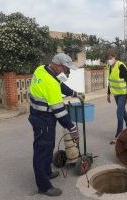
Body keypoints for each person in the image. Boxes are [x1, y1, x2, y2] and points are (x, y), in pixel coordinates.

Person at [28, 53, 84, 196]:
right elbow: (60, 112)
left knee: (49, 145)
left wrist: (74, 93)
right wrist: (72, 128)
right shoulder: (51, 84)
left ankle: (47, 172)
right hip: (43, 119)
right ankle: (44, 187)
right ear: (59, 66)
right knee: (42, 151)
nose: (67, 72)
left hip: (39, 115)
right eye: (66, 69)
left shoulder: (42, 69)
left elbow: (61, 85)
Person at [106, 53, 127, 145]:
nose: (109, 60)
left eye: (110, 58)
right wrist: (108, 94)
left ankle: (118, 136)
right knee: (122, 111)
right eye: (108, 59)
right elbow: (110, 81)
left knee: (119, 113)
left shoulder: (120, 66)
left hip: (123, 94)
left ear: (114, 57)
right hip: (116, 94)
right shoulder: (109, 67)